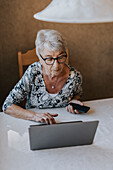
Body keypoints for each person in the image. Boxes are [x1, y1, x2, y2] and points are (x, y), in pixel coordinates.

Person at [2, 29, 83, 124]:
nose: (56, 65)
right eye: (49, 59)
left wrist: (74, 101)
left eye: (60, 57)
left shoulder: (75, 76)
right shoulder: (33, 72)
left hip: (63, 123)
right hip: (34, 123)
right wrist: (34, 116)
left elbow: (77, 94)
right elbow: (7, 106)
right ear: (40, 58)